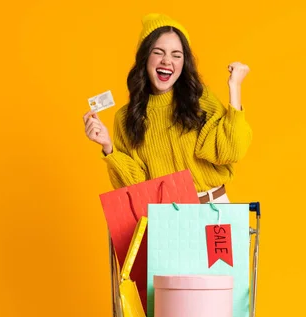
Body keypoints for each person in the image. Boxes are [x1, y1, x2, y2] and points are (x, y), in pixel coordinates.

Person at [83, 13, 252, 204]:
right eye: (158, 52)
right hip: (166, 218)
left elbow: (230, 151)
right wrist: (108, 147)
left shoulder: (200, 98)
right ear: (145, 57)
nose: (167, 61)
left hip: (214, 210)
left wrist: (235, 87)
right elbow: (133, 187)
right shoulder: (126, 117)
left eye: (176, 55)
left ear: (184, 62)